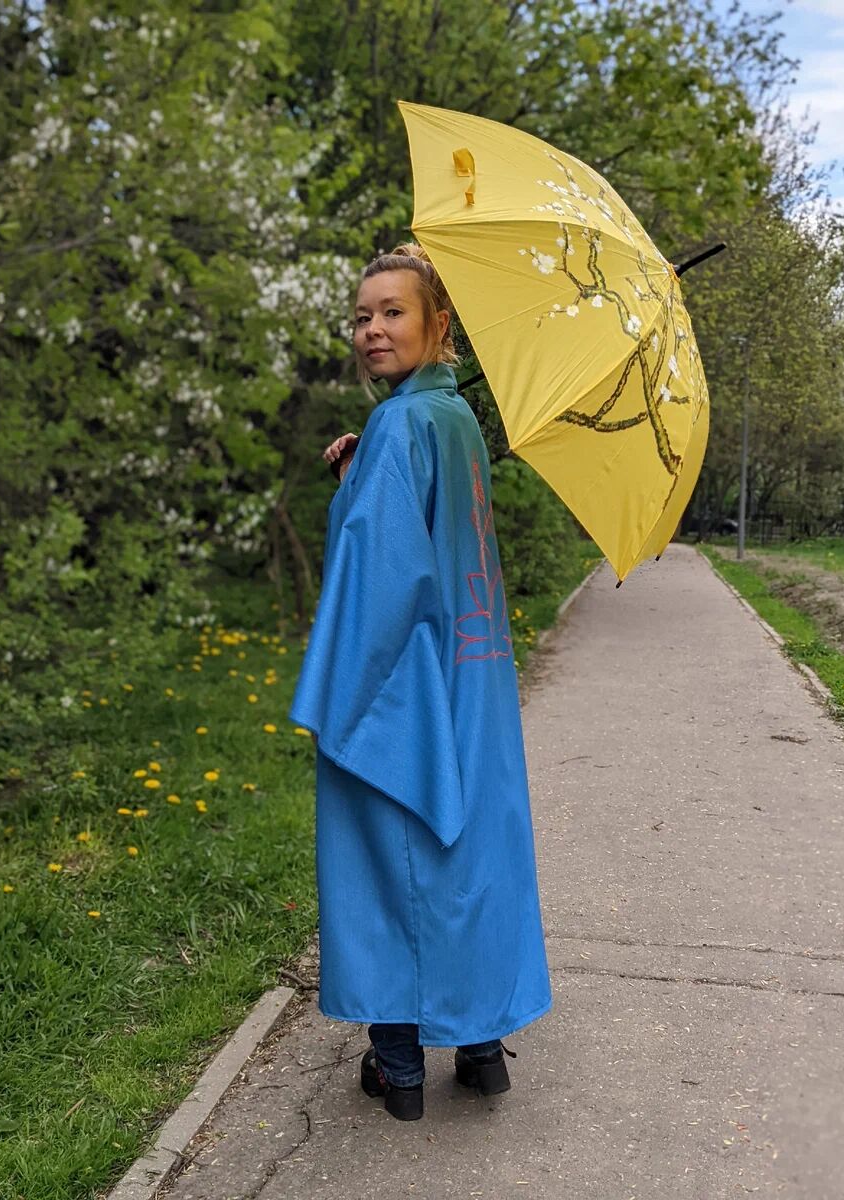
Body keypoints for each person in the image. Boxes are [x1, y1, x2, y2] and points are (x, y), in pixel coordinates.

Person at [289, 243, 551, 1122]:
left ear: (440, 323)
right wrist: (359, 471)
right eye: (362, 316)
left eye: (393, 312)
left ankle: (398, 1068)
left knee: (387, 861)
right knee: (467, 857)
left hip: (408, 688)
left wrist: (335, 702)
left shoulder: (405, 426)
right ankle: (480, 1052)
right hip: (475, 678)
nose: (372, 329)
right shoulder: (452, 417)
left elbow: (383, 576)